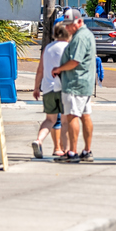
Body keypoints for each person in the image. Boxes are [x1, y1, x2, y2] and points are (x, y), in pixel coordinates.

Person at [53, 9, 96, 163]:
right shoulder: (87, 34)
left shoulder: (79, 37)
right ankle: (87, 150)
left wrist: (59, 69)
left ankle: (73, 152)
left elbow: (75, 61)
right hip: (85, 82)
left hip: (75, 82)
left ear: (79, 21)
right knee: (85, 116)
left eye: (70, 25)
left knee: (72, 116)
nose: (67, 28)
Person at [32, 23, 71, 159]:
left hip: (48, 88)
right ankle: (65, 150)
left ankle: (39, 140)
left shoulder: (47, 48)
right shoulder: (69, 48)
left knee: (50, 119)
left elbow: (40, 70)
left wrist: (36, 87)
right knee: (65, 121)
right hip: (64, 88)